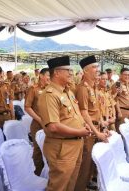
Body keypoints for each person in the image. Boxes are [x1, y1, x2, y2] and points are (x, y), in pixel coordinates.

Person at [37, 56, 91, 191]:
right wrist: (80, 132)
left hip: (74, 145)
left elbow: (75, 114)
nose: (71, 73)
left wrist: (84, 124)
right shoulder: (49, 94)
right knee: (58, 186)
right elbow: (53, 126)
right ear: (56, 73)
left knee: (70, 184)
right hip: (62, 148)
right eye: (68, 70)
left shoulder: (67, 92)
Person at [75, 55, 109, 191]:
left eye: (97, 67)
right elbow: (84, 113)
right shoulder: (83, 88)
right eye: (94, 67)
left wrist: (102, 126)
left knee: (91, 164)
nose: (97, 70)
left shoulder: (93, 87)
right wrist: (96, 133)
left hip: (96, 128)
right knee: (85, 164)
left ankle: (87, 184)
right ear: (85, 71)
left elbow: (96, 110)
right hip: (88, 131)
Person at [24, 68, 50, 176]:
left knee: (49, 149)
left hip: (50, 124)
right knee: (38, 150)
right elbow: (27, 107)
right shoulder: (33, 89)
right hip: (37, 125)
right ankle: (37, 174)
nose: (50, 78)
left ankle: (47, 174)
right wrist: (39, 119)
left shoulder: (51, 89)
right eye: (48, 75)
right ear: (41, 76)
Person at [111, 67, 129, 133]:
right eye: (125, 75)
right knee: (121, 132)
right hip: (122, 111)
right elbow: (115, 99)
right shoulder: (118, 84)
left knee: (127, 132)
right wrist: (119, 112)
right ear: (120, 75)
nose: (127, 76)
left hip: (128, 111)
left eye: (128, 75)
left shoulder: (126, 84)